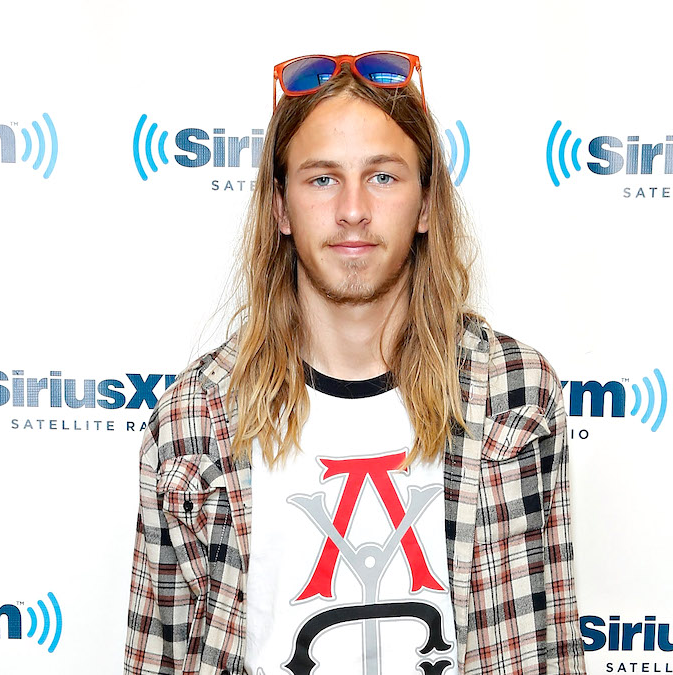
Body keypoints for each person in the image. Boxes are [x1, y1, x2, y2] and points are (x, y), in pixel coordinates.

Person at [125, 51, 587, 675]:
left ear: (426, 206)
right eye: (321, 178)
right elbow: (160, 659)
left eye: (383, 176)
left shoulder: (513, 393)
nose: (352, 209)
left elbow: (545, 648)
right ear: (281, 209)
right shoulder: (195, 418)